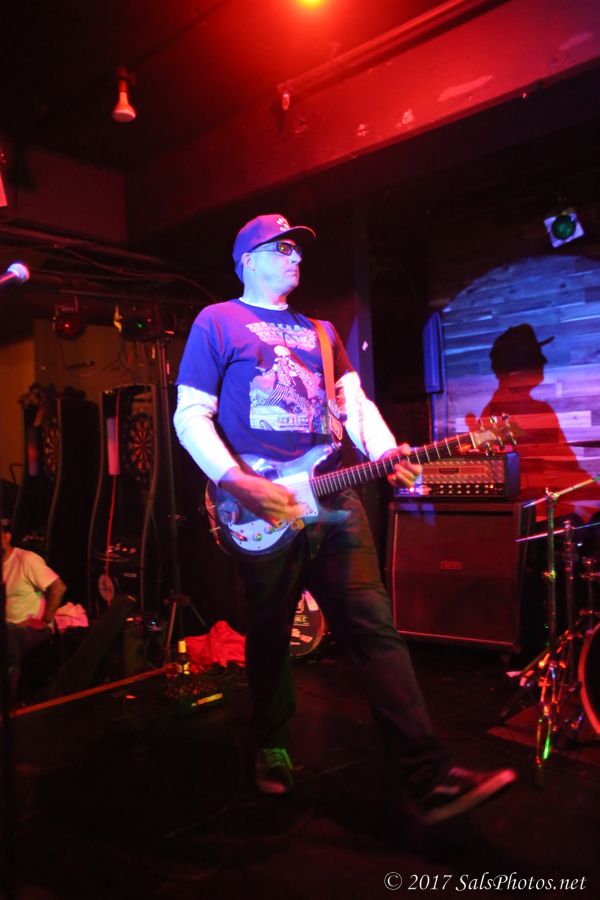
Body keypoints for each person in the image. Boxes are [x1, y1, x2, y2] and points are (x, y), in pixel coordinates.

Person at [173, 213, 517, 824]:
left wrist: (385, 452)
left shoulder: (322, 332)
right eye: (282, 248)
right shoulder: (217, 321)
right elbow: (190, 414)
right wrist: (235, 481)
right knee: (270, 632)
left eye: (297, 249)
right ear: (248, 259)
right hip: (261, 502)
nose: (295, 257)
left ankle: (429, 775)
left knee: (375, 629)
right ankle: (272, 744)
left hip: (334, 499)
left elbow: (354, 405)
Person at [2, 517, 67, 694]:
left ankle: (8, 701)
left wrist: (44, 620)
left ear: (7, 537)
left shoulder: (25, 560)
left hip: (31, 626)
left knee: (7, 644)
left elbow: (58, 587)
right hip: (8, 627)